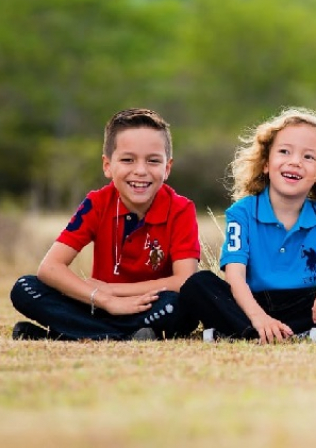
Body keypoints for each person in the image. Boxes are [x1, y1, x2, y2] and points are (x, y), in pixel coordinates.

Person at [180, 107, 316, 343]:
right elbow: (235, 277)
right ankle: (257, 330)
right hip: (250, 302)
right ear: (266, 163)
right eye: (284, 152)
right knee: (198, 285)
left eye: (308, 157)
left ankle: (252, 331)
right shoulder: (242, 213)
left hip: (303, 304)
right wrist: (259, 317)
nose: (295, 162)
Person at [10, 108, 201, 341]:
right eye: (128, 160)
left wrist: (115, 291)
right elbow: (50, 268)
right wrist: (105, 300)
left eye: (153, 161)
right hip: (98, 307)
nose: (140, 171)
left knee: (177, 307)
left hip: (149, 307)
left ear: (167, 168)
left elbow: (184, 280)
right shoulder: (96, 203)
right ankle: (119, 337)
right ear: (108, 165)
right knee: (25, 288)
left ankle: (69, 334)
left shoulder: (181, 209)